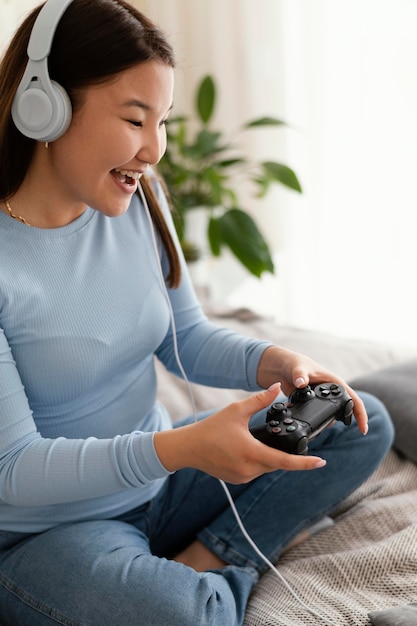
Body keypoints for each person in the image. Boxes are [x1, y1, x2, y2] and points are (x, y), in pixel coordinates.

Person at [0, 1, 393, 625]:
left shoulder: (136, 199)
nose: (154, 150)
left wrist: (275, 363)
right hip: (51, 531)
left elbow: (185, 333)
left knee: (355, 414)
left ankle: (205, 562)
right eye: (135, 119)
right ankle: (210, 582)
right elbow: (12, 469)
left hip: (165, 481)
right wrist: (179, 448)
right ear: (43, 103)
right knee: (179, 617)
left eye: (163, 123)